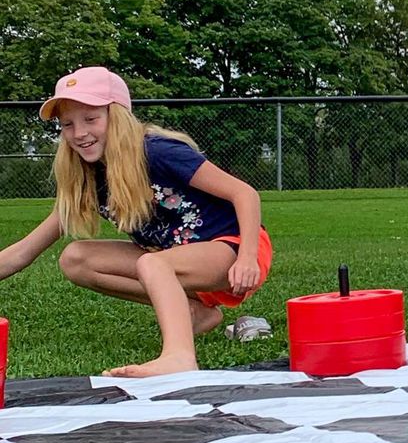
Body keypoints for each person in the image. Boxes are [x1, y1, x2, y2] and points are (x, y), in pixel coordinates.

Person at [0, 66, 273, 378]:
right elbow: (24, 251)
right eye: (68, 124)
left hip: (233, 249)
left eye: (91, 119)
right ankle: (194, 313)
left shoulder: (156, 151)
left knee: (153, 265)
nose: (79, 133)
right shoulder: (88, 177)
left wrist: (248, 257)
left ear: (117, 116)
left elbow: (245, 193)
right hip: (175, 263)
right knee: (75, 258)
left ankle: (179, 357)